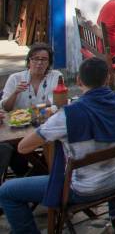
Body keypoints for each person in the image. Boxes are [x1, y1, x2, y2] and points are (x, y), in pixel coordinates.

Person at [0, 58, 115, 234]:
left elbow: (23, 148)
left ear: (79, 80)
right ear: (108, 79)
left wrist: (52, 132)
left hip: (82, 189)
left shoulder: (69, 115)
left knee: (6, 191)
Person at [0, 43, 61, 180]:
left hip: (43, 127)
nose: (39, 63)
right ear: (29, 61)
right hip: (18, 129)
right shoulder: (15, 78)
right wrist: (15, 93)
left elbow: (55, 103)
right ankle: (32, 176)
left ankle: (39, 175)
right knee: (11, 149)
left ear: (49, 63)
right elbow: (6, 108)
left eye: (44, 59)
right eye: (35, 59)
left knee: (58, 143)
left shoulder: (55, 76)